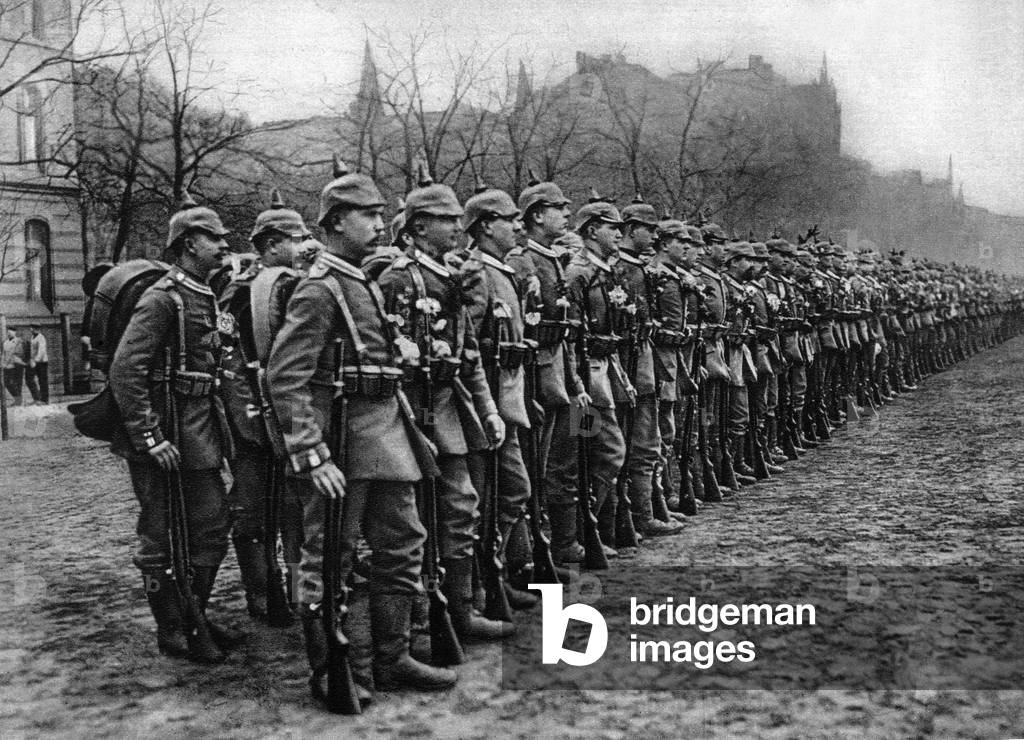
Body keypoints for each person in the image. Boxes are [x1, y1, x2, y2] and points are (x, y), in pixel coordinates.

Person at [267, 158, 456, 705]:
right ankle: (334, 671)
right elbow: (287, 376)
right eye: (366, 215)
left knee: (403, 544)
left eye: (380, 214)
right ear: (332, 225)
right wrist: (310, 451)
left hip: (384, 433)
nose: (379, 224)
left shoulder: (361, 280)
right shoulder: (320, 288)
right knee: (331, 556)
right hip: (342, 440)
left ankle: (392, 657)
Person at [378, 169, 515, 639]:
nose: (459, 226)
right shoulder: (399, 280)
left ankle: (458, 611)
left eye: (460, 218)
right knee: (412, 521)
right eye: (447, 219)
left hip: (450, 408)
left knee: (461, 508)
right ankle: (417, 612)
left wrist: (489, 409)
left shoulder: (453, 277)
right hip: (411, 414)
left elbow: (469, 353)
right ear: (418, 227)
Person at [107, 194, 236, 664]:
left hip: (199, 433)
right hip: (165, 436)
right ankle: (172, 627)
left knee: (211, 528)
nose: (224, 245)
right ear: (187, 245)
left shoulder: (205, 293)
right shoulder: (163, 298)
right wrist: (149, 436)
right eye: (213, 237)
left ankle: (192, 612)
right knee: (161, 535)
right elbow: (126, 370)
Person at [215, 189, 309, 624]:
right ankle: (261, 592)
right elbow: (230, 360)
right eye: (296, 237)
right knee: (252, 510)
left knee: (296, 510)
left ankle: (298, 592)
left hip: (290, 416)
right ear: (271, 245)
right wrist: (249, 421)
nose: (306, 244)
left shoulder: (301, 286)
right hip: (254, 419)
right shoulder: (240, 293)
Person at [505, 172, 590, 566]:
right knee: (534, 468)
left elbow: (568, 331)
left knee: (570, 455)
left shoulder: (555, 260)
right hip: (538, 380)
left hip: (565, 375)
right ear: (537, 216)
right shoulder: (522, 263)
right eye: (559, 208)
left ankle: (567, 541)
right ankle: (534, 552)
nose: (566, 213)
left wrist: (574, 382)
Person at [555, 195, 634, 557]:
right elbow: (570, 338)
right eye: (611, 228)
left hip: (604, 369)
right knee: (592, 452)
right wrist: (578, 386)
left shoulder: (603, 269)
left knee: (603, 452)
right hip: (585, 377)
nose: (619, 234)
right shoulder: (578, 272)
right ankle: (583, 531)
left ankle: (595, 526)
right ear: (591, 231)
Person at [612, 196, 683, 538]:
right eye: (648, 229)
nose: (654, 237)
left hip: (642, 364)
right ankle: (625, 518)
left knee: (646, 440)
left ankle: (642, 513)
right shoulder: (618, 268)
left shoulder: (637, 268)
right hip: (620, 369)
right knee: (613, 444)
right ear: (630, 229)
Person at [3, 328, 26, 405]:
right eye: (8, 332)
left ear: (15, 332)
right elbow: (4, 354)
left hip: (16, 364)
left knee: (17, 382)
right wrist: (3, 363)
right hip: (7, 365)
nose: (9, 333)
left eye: (11, 332)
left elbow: (19, 353)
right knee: (7, 382)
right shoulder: (5, 342)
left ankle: (18, 401)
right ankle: (18, 398)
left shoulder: (18, 341)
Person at [28, 326, 49, 404]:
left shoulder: (41, 338)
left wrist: (35, 361)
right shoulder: (32, 337)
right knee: (29, 379)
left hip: (41, 362)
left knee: (42, 381)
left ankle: (45, 400)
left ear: (36, 329)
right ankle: (37, 397)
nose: (30, 329)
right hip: (34, 361)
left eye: (32, 328)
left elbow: (41, 351)